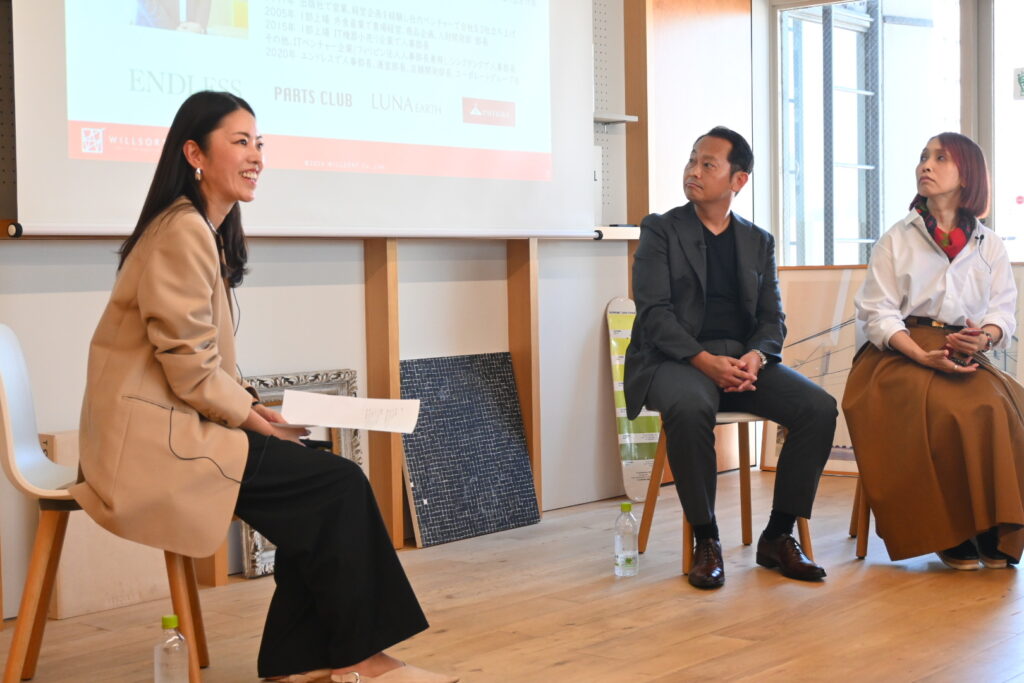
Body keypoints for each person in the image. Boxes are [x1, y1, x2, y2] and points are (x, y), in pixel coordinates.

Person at [70, 91, 456, 683]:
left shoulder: (197, 229)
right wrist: (255, 420)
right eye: (240, 142)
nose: (256, 156)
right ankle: (355, 660)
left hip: (181, 427)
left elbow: (203, 363)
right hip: (153, 445)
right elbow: (190, 367)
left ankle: (298, 662)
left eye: (259, 143)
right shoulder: (182, 231)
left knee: (324, 482)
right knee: (338, 485)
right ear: (194, 154)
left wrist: (254, 410)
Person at [624, 126, 836, 589]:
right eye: (691, 161)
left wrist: (756, 356)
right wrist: (704, 361)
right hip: (673, 360)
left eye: (708, 164)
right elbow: (654, 314)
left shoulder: (758, 241)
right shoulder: (661, 230)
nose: (693, 171)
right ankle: (706, 539)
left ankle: (777, 536)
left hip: (742, 364)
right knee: (689, 406)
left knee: (818, 409)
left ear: (738, 180)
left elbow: (772, 318)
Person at [843, 132, 1024, 570]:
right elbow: (878, 314)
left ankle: (993, 523)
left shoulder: (989, 243)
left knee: (1003, 405)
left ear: (967, 175)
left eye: (941, 158)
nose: (926, 164)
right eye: (924, 156)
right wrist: (921, 355)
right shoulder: (896, 238)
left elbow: (1003, 312)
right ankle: (950, 530)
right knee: (949, 408)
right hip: (895, 354)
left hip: (961, 351)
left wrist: (984, 338)